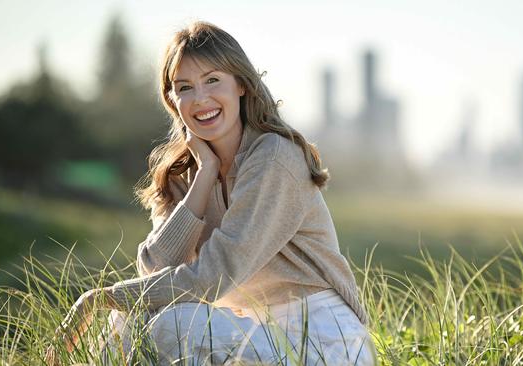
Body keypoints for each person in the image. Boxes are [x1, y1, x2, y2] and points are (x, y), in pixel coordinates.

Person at [45, 21, 376, 365]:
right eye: (184, 87)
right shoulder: (184, 171)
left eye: (213, 80)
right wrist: (204, 176)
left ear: (242, 85)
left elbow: (212, 276)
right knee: (128, 319)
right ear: (171, 99)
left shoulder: (274, 157)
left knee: (169, 327)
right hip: (250, 329)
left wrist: (98, 298)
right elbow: (155, 269)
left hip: (319, 337)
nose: (200, 99)